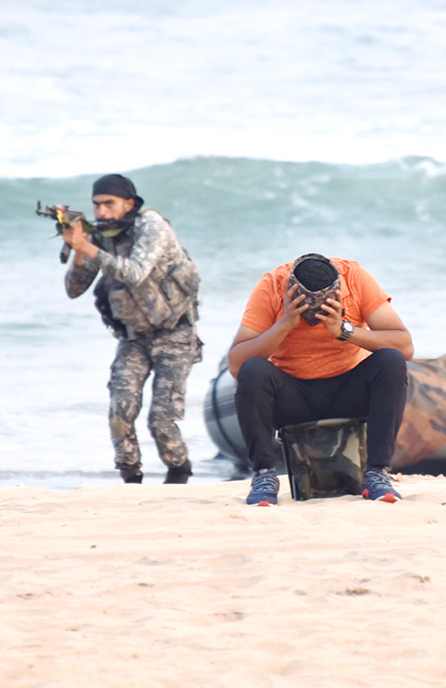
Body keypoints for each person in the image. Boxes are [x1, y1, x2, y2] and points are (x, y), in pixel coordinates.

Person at [228, 253, 413, 505]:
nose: (314, 313)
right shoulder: (272, 285)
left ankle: (377, 472)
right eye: (308, 305)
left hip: (347, 389)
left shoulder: (356, 279)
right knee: (253, 370)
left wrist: (344, 331)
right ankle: (264, 475)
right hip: (293, 396)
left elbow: (405, 346)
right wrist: (284, 324)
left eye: (322, 304)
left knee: (390, 360)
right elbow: (236, 363)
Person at [61, 174, 201, 484]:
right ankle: (131, 481)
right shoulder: (101, 235)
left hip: (174, 333)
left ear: (130, 203)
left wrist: (89, 247)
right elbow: (74, 289)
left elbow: (136, 273)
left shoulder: (151, 226)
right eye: (96, 206)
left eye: (109, 204)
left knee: (162, 421)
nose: (102, 213)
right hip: (133, 337)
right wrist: (79, 250)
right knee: (119, 413)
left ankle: (179, 474)